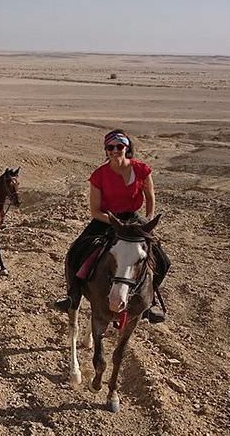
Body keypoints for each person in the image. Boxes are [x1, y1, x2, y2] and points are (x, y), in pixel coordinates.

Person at [54, 129, 170, 323]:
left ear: (127, 148)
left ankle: (149, 303)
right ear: (106, 150)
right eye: (111, 147)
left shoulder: (142, 169)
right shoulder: (99, 175)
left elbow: (150, 198)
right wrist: (116, 224)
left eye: (119, 146)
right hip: (107, 219)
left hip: (133, 220)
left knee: (162, 260)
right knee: (76, 250)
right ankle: (72, 297)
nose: (115, 150)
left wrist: (147, 223)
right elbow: (95, 211)